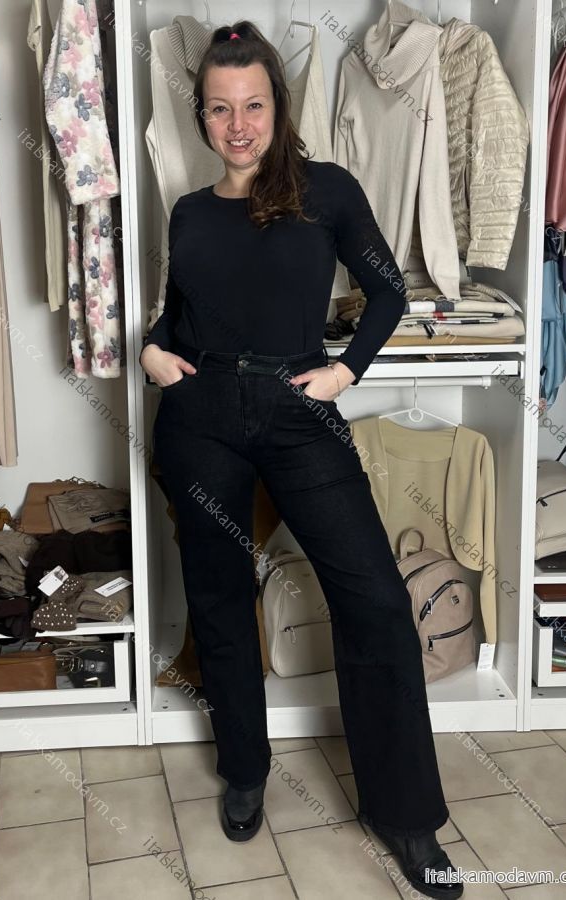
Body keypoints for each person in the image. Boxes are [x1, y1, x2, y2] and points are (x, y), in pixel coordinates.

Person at [140, 20, 462, 900]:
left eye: (252, 106)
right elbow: (180, 314)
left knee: (375, 601)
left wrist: (346, 369)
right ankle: (244, 768)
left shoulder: (325, 191)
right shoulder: (189, 210)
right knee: (217, 595)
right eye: (219, 109)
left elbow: (387, 291)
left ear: (277, 108)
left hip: (296, 411)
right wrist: (152, 349)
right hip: (201, 417)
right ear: (200, 115)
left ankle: (406, 817)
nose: (237, 126)